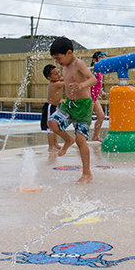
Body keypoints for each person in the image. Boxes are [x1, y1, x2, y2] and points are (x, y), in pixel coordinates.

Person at [48, 36, 97, 184]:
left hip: (83, 107)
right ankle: (68, 139)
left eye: (58, 58)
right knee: (52, 123)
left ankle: (87, 173)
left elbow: (93, 79)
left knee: (81, 141)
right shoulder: (65, 67)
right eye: (55, 59)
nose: (57, 62)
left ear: (69, 52)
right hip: (69, 105)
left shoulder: (78, 64)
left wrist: (81, 86)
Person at [41, 64, 65, 155]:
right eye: (55, 74)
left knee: (54, 127)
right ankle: (51, 147)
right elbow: (66, 83)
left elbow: (65, 78)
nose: (58, 75)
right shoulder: (55, 84)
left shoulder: (57, 80)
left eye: (58, 72)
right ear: (49, 78)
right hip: (49, 107)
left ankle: (55, 144)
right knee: (50, 128)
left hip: (54, 107)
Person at [90, 51, 108, 142]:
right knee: (86, 119)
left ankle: (95, 136)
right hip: (89, 98)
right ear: (95, 60)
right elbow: (89, 84)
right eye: (101, 59)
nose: (104, 61)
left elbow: (97, 85)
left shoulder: (100, 72)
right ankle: (81, 139)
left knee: (101, 116)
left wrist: (102, 92)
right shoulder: (92, 71)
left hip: (95, 98)